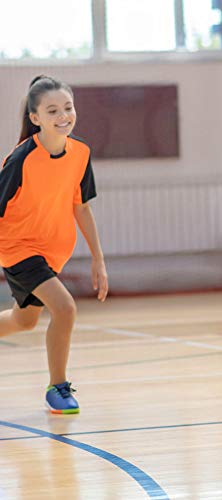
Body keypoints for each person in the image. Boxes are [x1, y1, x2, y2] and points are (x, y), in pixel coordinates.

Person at [0, 75, 108, 414]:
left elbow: (81, 206)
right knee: (65, 308)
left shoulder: (80, 154)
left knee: (24, 322)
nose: (63, 116)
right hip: (18, 248)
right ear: (35, 118)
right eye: (52, 110)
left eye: (68, 107)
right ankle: (57, 388)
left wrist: (98, 259)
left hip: (51, 253)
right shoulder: (20, 160)